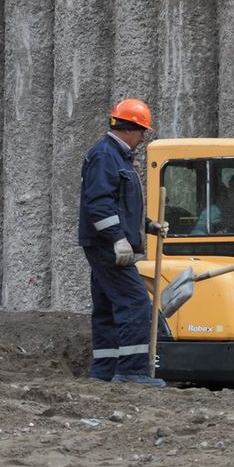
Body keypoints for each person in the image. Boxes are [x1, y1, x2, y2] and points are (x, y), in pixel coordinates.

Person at [78, 98, 168, 386]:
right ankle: (131, 371)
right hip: (107, 247)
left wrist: (149, 226)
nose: (143, 139)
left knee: (106, 307)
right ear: (130, 129)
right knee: (136, 305)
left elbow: (121, 207)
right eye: (142, 132)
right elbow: (99, 204)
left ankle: (104, 369)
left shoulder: (115, 158)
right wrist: (118, 239)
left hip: (105, 244)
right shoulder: (106, 156)